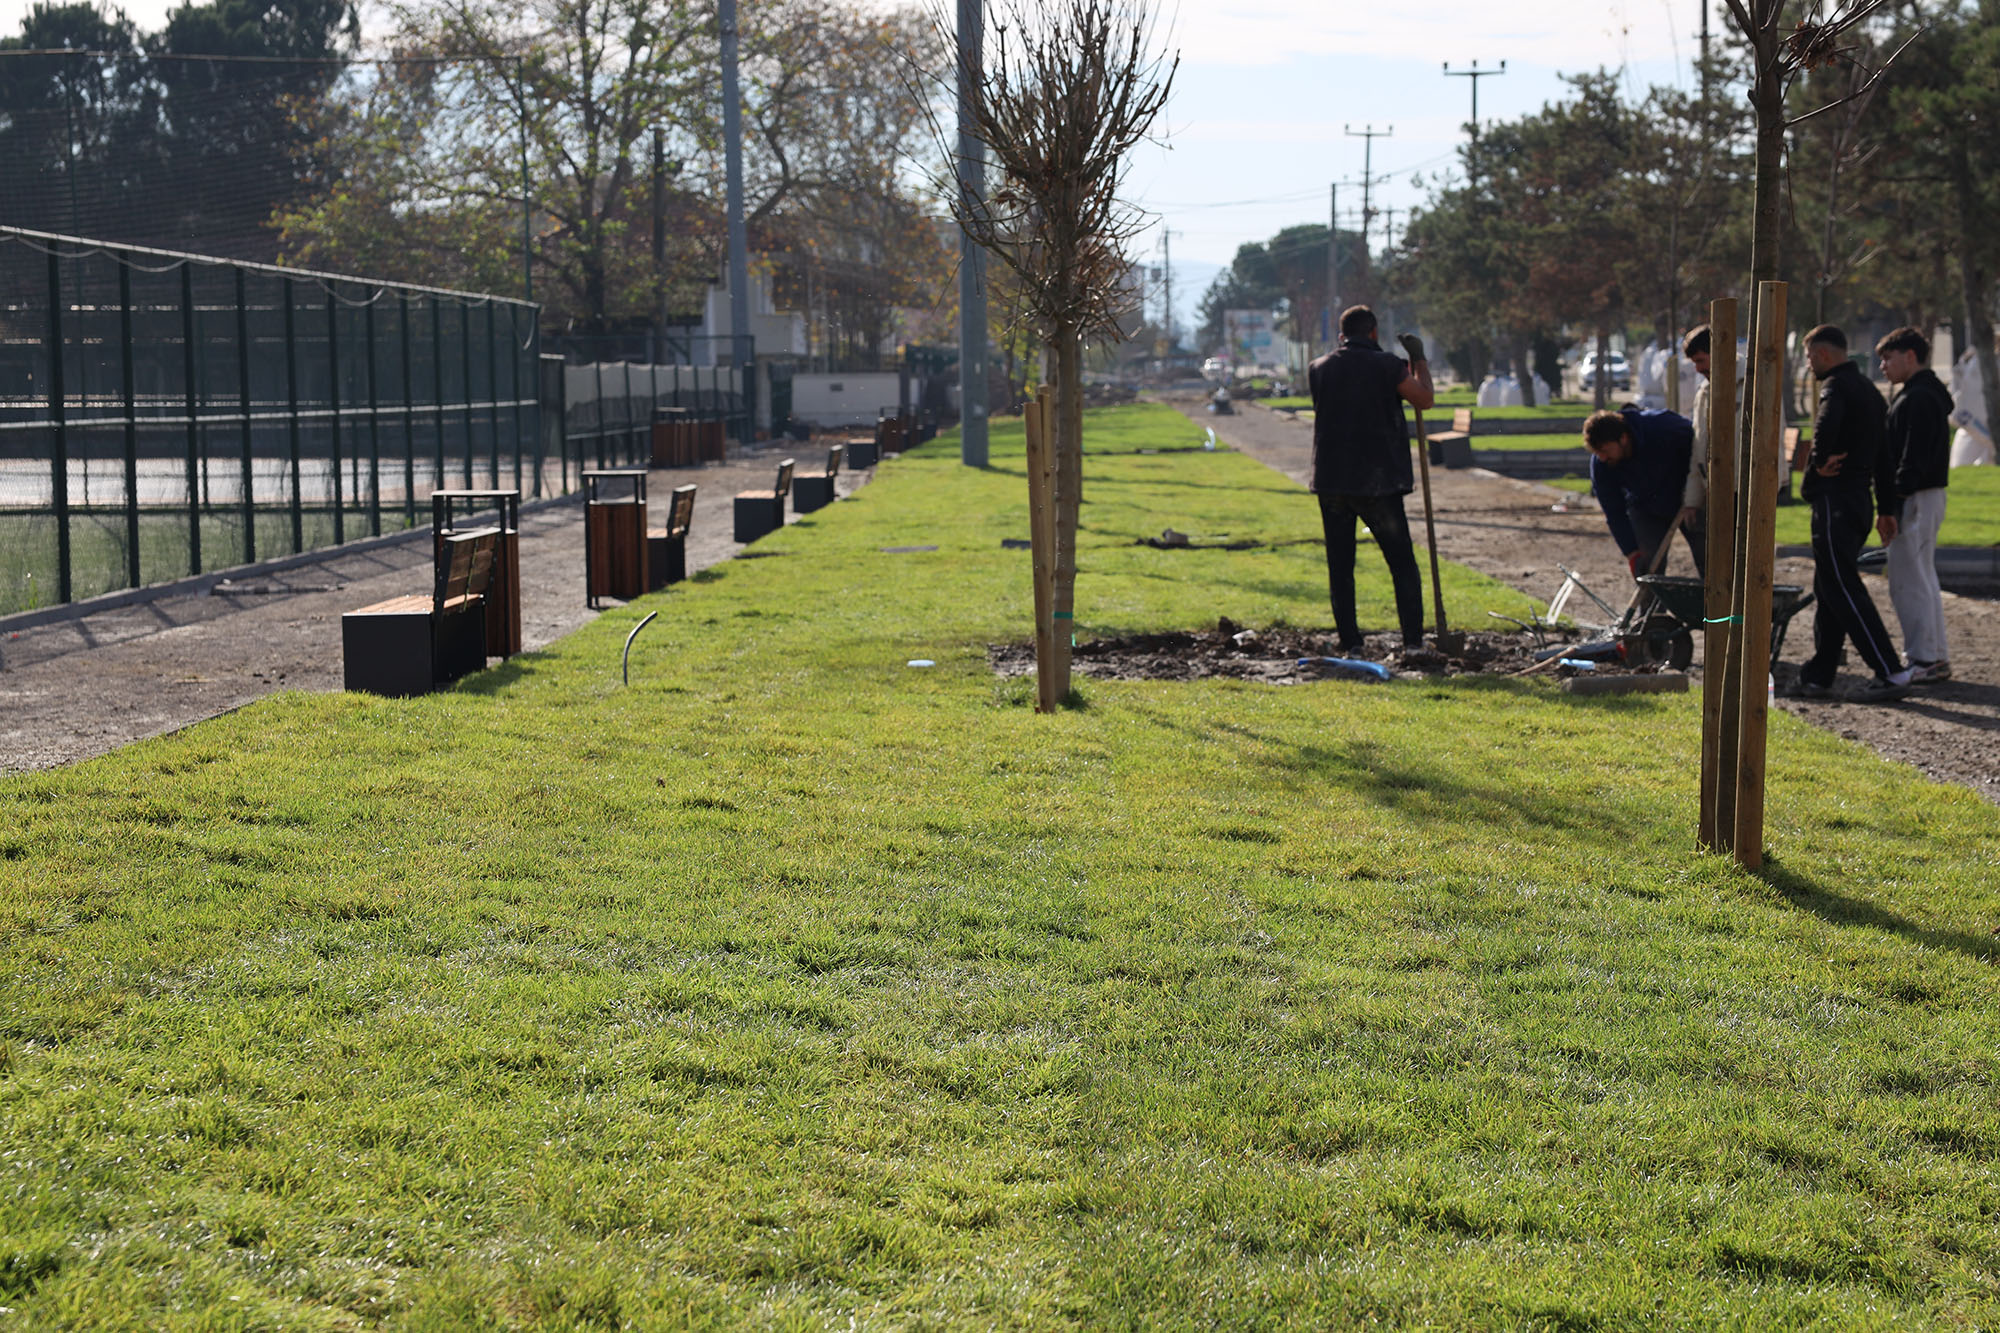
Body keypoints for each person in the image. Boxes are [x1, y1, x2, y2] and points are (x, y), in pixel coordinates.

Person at [1786, 324, 1913, 703]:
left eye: (1809, 357)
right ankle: (1819, 674)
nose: (1808, 364)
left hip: (1834, 501)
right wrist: (1886, 508)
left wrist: (1817, 466)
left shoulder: (1836, 388)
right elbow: (1884, 457)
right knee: (1829, 590)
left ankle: (1890, 670)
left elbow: (1824, 429)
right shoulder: (1872, 394)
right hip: (1859, 501)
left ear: (1824, 355)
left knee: (1842, 587)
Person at [1306, 305, 1433, 652]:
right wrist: (1418, 359)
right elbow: (1424, 399)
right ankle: (1413, 644)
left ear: (1341, 335)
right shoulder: (1388, 366)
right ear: (1374, 332)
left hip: (1332, 481)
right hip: (1379, 482)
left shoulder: (1318, 369)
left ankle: (1351, 643)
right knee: (1402, 564)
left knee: (1341, 568)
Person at [1875, 326, 1955, 682]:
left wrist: (1893, 503)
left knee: (1908, 579)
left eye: (1888, 358)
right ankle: (1934, 656)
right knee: (1922, 576)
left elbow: (1913, 456)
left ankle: (1923, 659)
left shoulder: (1919, 397)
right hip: (1926, 493)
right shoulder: (1924, 394)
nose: (1883, 367)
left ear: (1910, 356)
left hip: (1916, 495)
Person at [1581, 405, 1706, 577]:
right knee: (1647, 569)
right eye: (1597, 452)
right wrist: (1632, 552)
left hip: (1689, 499)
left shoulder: (1664, 428)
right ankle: (1649, 602)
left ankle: (1714, 601)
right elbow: (1614, 511)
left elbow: (1700, 449)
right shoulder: (1601, 464)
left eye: (1604, 450)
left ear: (1623, 439)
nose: (1602, 457)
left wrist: (1694, 495)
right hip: (1646, 506)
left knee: (1709, 559)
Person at [1678, 324, 1712, 541]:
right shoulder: (1704, 393)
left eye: (1700, 360)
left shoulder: (1749, 385)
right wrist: (1692, 500)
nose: (1698, 369)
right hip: (1713, 490)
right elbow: (1698, 449)